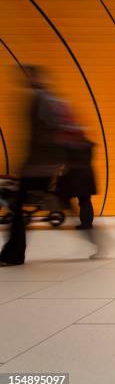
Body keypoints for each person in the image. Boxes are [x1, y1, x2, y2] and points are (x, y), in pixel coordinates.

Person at [1, 66, 65, 266]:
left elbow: (40, 136)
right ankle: (13, 252)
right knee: (20, 206)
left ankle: (13, 254)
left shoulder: (40, 100)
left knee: (16, 206)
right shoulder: (50, 100)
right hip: (44, 165)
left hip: (37, 166)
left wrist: (29, 163)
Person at [56, 102, 96, 230]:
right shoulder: (86, 144)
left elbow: (66, 157)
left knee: (80, 200)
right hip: (87, 174)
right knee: (85, 201)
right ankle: (87, 223)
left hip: (77, 176)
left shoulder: (71, 143)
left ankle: (85, 224)